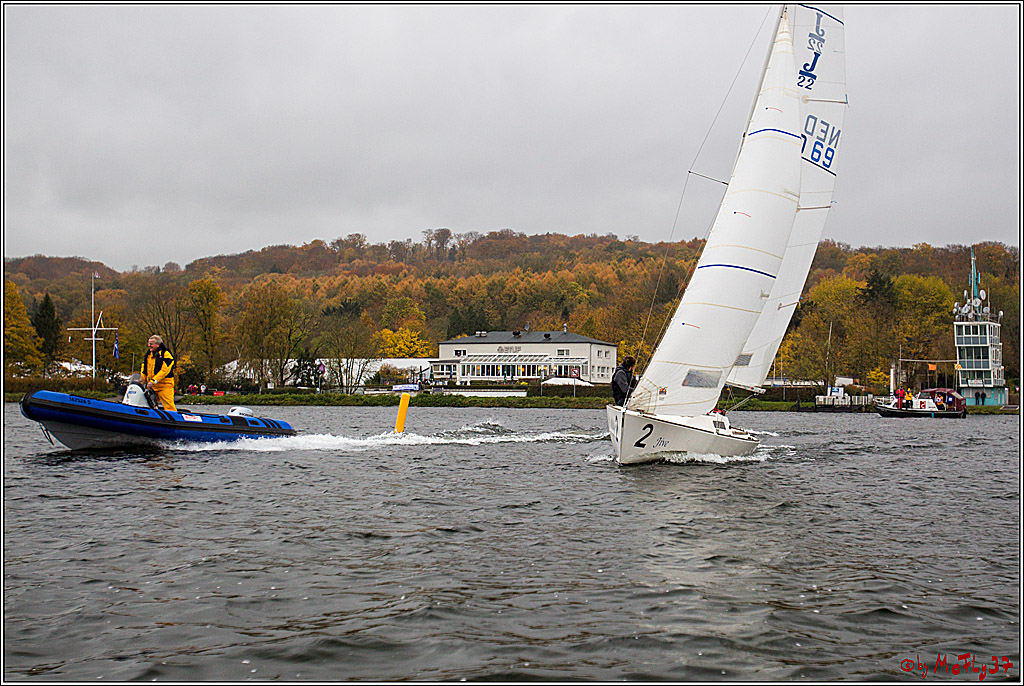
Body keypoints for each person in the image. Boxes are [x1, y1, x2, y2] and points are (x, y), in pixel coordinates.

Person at [140, 335, 177, 411]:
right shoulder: (148, 355)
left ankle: (173, 420)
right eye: (149, 343)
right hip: (152, 386)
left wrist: (154, 381)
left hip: (164, 385)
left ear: (158, 345)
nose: (149, 345)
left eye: (151, 344)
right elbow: (144, 369)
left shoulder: (166, 355)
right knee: (149, 405)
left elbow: (164, 371)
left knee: (168, 405)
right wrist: (141, 381)